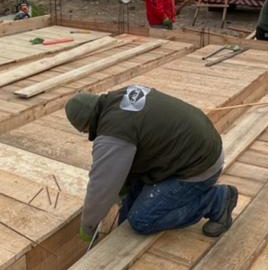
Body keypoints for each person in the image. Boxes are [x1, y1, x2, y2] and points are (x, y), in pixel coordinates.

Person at [65, 86, 238, 242]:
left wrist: (88, 227)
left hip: (198, 168)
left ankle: (216, 201)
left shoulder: (114, 134)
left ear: (87, 125)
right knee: (129, 209)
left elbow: (101, 186)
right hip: (191, 149)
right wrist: (124, 188)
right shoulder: (120, 97)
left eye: (85, 131)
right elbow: (126, 156)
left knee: (142, 220)